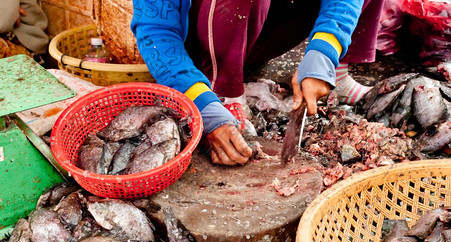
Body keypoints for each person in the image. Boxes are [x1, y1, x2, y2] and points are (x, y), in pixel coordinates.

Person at [131, 0, 384, 166]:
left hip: (261, 24)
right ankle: (222, 91)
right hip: (202, 36)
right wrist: (201, 103)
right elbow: (156, 31)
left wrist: (326, 49)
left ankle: (335, 74)